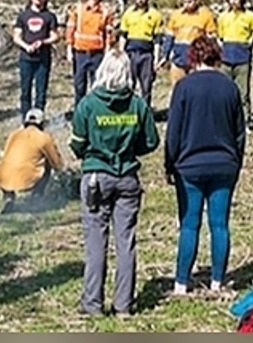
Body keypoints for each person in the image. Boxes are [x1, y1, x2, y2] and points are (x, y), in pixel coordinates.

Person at [71, 51, 159, 317]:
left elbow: (77, 143)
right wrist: (130, 151)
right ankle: (123, 304)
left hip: (96, 177)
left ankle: (92, 303)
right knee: (126, 241)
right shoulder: (137, 105)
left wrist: (92, 153)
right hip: (128, 178)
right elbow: (151, 141)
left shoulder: (88, 104)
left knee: (96, 241)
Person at [165, 36, 245, 296]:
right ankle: (217, 281)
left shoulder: (184, 87)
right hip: (224, 164)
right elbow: (239, 133)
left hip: (189, 165)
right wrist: (236, 162)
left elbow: (173, 131)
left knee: (189, 224)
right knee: (219, 224)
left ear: (193, 58)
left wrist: (169, 162)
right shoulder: (230, 88)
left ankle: (181, 282)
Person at [0, 109, 67, 212]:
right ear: (41, 123)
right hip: (27, 179)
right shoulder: (44, 138)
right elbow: (57, 163)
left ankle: (8, 198)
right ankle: (37, 196)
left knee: (7, 165)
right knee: (47, 163)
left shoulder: (14, 135)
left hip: (3, 178)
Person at [215, 0, 253, 129]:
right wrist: (219, 44)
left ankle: (245, 122)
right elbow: (219, 36)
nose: (234, 1)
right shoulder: (223, 17)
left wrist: (251, 41)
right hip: (225, 59)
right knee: (224, 91)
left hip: (243, 59)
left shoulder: (251, 17)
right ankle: (225, 121)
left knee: (243, 93)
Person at [13, 0, 61, 119]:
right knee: (25, 90)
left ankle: (38, 118)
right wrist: (26, 46)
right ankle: (25, 118)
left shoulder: (49, 16)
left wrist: (43, 42)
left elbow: (56, 36)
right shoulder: (23, 16)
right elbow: (16, 36)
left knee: (41, 91)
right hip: (26, 59)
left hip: (43, 59)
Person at [117, 0, 167, 110]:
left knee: (146, 86)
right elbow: (123, 35)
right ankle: (127, 111)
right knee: (128, 84)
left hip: (146, 55)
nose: (140, 0)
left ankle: (145, 112)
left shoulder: (155, 15)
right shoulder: (128, 13)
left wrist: (156, 58)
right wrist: (120, 54)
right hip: (131, 54)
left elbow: (157, 40)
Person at [66, 0, 115, 111]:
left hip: (97, 54)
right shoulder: (78, 10)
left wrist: (108, 51)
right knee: (79, 86)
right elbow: (70, 29)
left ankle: (96, 112)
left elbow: (108, 33)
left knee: (97, 85)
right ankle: (79, 113)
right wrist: (69, 49)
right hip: (80, 53)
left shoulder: (105, 12)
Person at [164, 0, 217, 86]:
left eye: (190, 1)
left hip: (197, 60)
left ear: (196, 1)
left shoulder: (205, 14)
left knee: (196, 88)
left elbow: (211, 37)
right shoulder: (176, 15)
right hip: (178, 59)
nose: (187, 4)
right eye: (185, 2)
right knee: (177, 88)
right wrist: (165, 55)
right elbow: (169, 36)